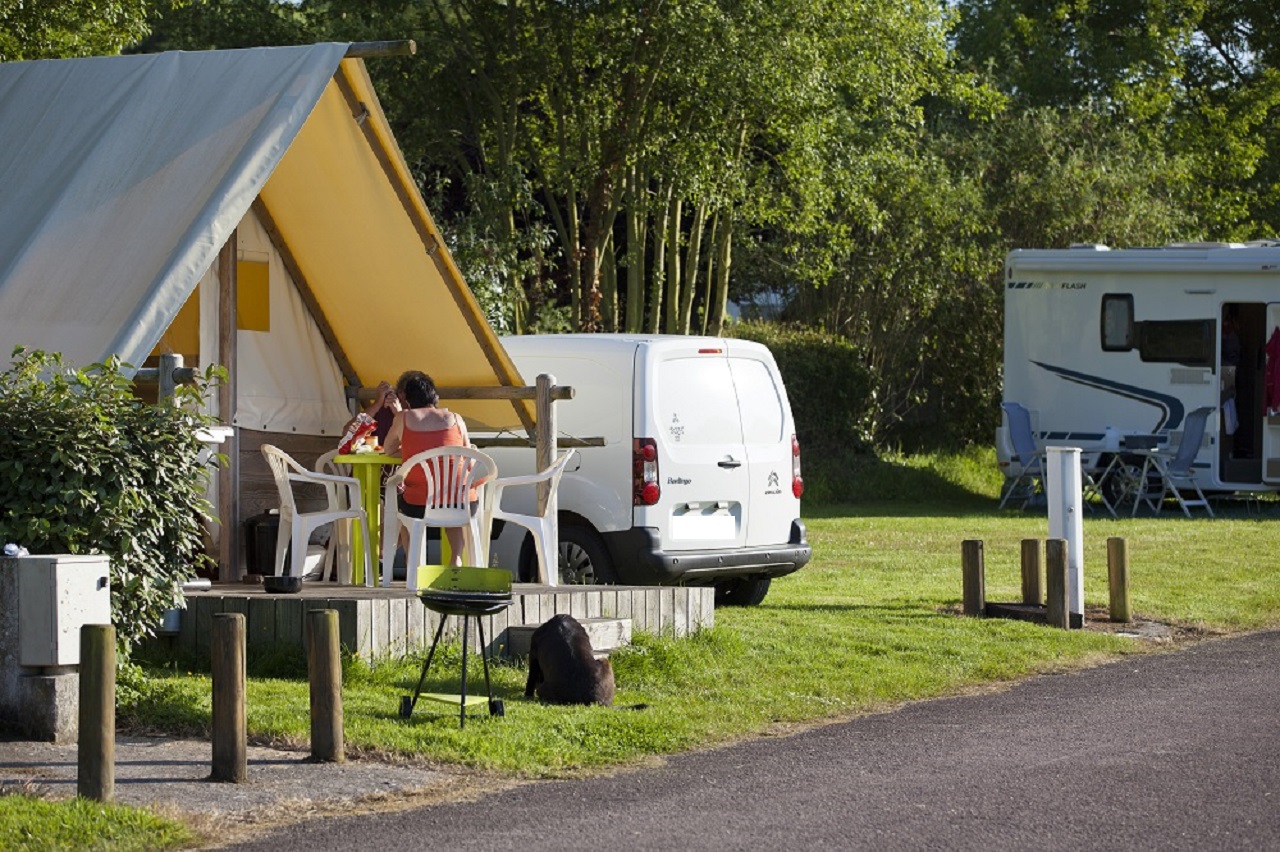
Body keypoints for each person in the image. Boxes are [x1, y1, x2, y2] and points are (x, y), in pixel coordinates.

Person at [381, 371, 474, 568]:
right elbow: (469, 457)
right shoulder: (456, 418)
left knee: (404, 513)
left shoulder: (404, 417)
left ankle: (413, 564)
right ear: (435, 397)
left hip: (420, 503)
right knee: (453, 500)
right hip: (464, 501)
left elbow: (388, 450)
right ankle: (455, 557)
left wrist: (413, 450)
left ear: (405, 398)